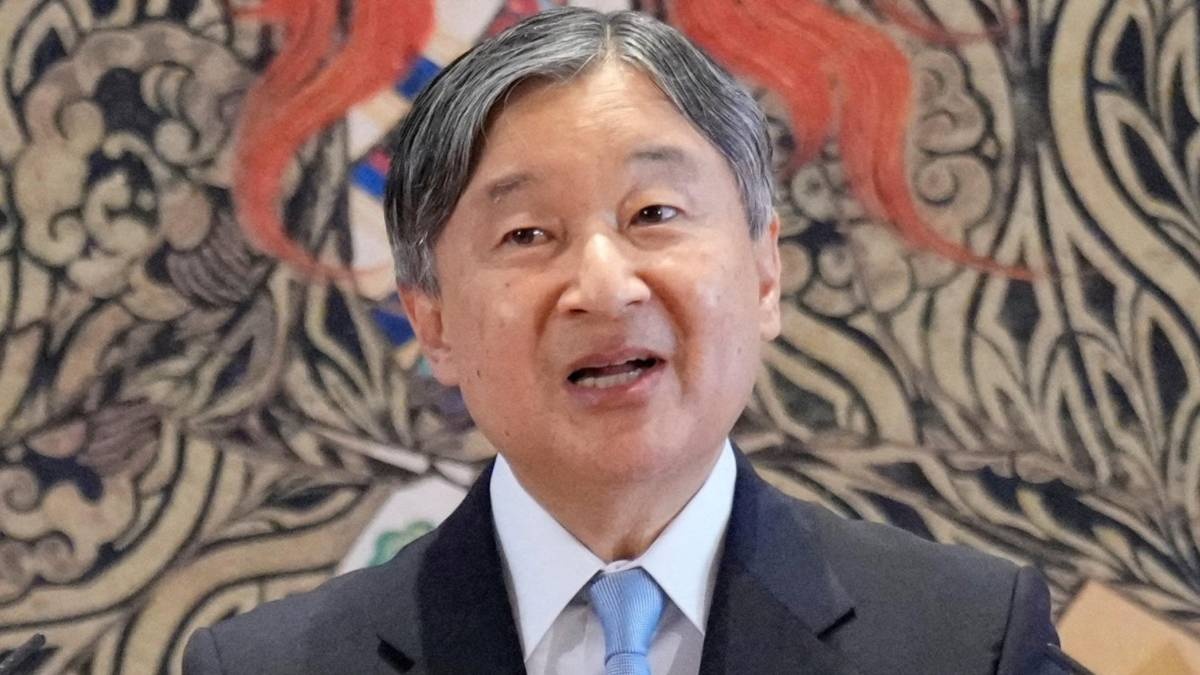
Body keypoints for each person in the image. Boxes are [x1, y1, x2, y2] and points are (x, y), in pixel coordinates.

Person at [184, 8, 1077, 674]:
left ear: (765, 273)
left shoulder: (967, 639)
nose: (606, 284)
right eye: (528, 234)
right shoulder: (267, 666)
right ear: (434, 323)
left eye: (654, 213)